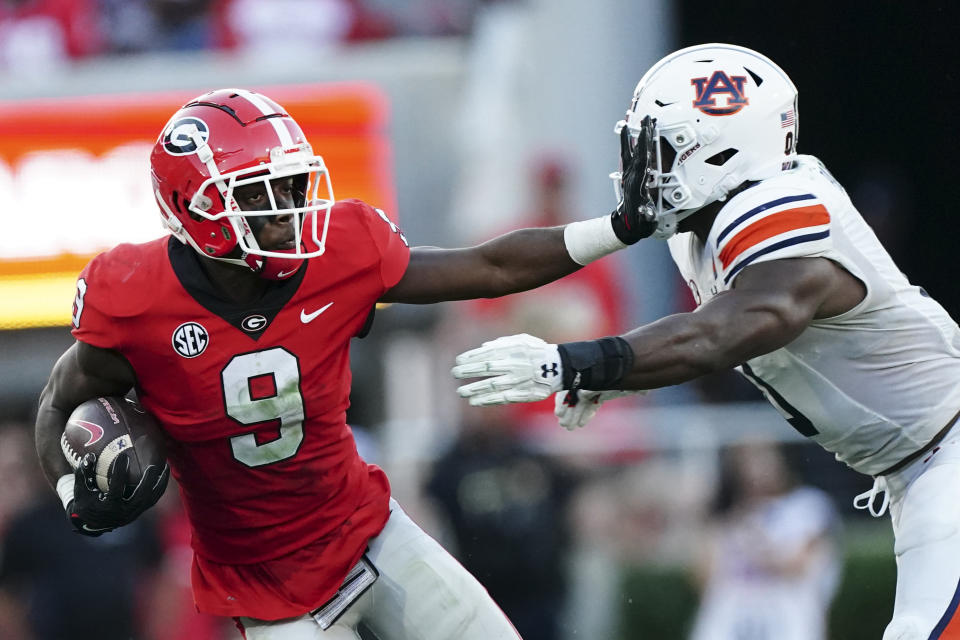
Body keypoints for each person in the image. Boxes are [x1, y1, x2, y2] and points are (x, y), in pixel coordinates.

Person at [34, 87, 653, 639]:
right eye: (258, 193)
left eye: (291, 186)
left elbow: (491, 266)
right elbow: (59, 399)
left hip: (370, 531)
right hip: (267, 588)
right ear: (192, 207)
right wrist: (70, 488)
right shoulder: (133, 296)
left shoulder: (342, 250)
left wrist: (620, 225)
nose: (285, 210)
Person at [451, 43, 960, 639]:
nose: (642, 164)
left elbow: (723, 333)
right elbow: (714, 335)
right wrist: (613, 378)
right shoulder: (700, 231)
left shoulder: (786, 211)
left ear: (724, 154)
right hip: (919, 465)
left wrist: (579, 363)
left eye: (661, 148)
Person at [688, 439, 840, 640]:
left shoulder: (806, 505)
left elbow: (800, 565)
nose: (757, 467)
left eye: (764, 455)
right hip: (734, 623)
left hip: (789, 619)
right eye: (747, 457)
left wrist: (756, 549)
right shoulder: (728, 517)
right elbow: (702, 576)